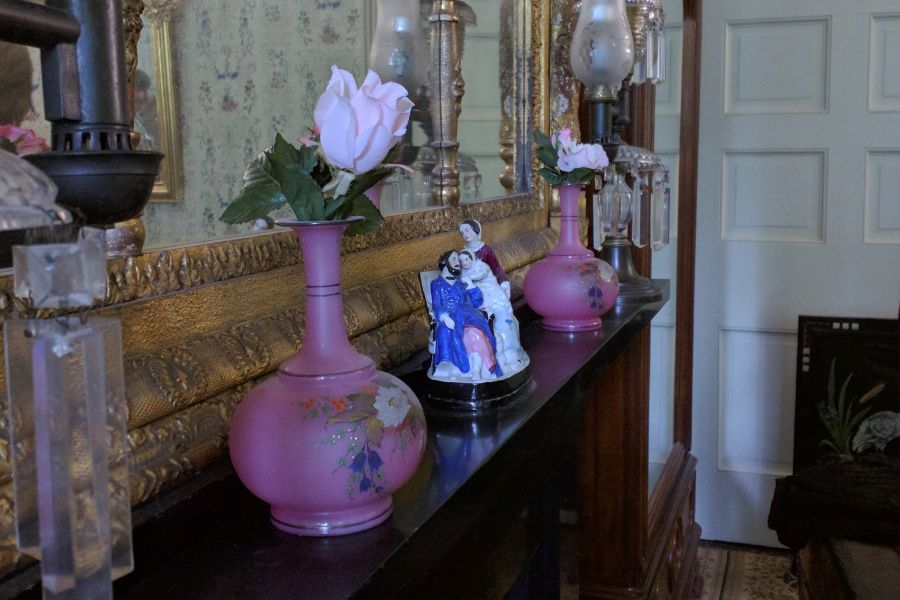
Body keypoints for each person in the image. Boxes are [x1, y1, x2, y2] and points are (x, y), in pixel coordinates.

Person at [430, 250, 502, 380]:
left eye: (458, 259)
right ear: (444, 263)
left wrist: (471, 286)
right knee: (446, 331)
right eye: (453, 259)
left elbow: (477, 302)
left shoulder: (461, 282)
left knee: (475, 332)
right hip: (450, 316)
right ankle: (450, 365)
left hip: (469, 315)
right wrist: (444, 317)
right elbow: (437, 304)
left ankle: (476, 370)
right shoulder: (437, 284)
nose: (458, 262)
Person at [459, 249, 527, 373]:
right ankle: (495, 357)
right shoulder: (462, 272)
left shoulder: (481, 266)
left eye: (466, 259)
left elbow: (482, 274)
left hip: (495, 299)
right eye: (461, 260)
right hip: (480, 303)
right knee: (490, 330)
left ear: (472, 258)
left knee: (505, 325)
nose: (464, 262)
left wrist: (467, 278)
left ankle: (512, 353)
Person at [459, 219, 510, 299]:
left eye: (467, 230)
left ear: (475, 229)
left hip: (486, 285)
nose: (465, 234)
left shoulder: (485, 250)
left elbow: (496, 268)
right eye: (462, 233)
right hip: (471, 287)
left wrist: (503, 281)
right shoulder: (463, 251)